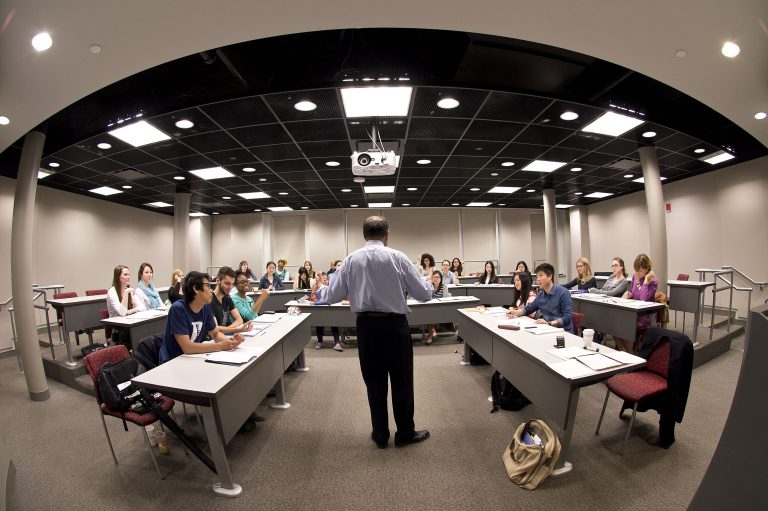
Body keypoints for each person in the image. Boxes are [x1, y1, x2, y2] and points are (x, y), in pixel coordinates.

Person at [317, 215, 433, 448]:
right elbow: (424, 294)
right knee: (401, 381)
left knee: (374, 382)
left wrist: (319, 291)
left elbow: (334, 295)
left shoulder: (350, 260)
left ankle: (380, 434)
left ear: (363, 235)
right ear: (386, 236)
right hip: (395, 327)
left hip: (366, 328)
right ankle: (404, 434)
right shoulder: (399, 258)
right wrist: (428, 282)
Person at [158, 271, 244, 364]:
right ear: (195, 288)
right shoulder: (178, 309)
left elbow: (215, 334)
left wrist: (230, 342)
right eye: (207, 286)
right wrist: (220, 346)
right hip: (173, 362)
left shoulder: (205, 307)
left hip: (193, 358)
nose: (211, 290)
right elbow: (187, 347)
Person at [507, 262, 574, 333]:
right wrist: (515, 312)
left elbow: (567, 317)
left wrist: (550, 323)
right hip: (546, 329)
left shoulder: (563, 292)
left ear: (550, 276)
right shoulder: (541, 295)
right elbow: (528, 309)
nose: (538, 279)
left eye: (541, 276)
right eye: (537, 277)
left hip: (563, 331)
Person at [614, 253, 659, 353]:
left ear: (647, 268)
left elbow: (643, 299)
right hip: (634, 312)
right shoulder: (635, 277)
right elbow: (634, 293)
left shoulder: (653, 280)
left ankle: (630, 353)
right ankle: (624, 351)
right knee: (614, 325)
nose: (637, 273)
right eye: (636, 271)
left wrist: (646, 281)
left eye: (640, 271)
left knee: (627, 326)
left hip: (645, 316)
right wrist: (629, 294)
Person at [106, 265, 146, 346]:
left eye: (129, 275)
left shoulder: (128, 289)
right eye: (125, 275)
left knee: (144, 328)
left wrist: (131, 311)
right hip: (118, 327)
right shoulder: (112, 292)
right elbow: (122, 312)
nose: (128, 277)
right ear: (118, 277)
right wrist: (126, 293)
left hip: (128, 322)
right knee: (136, 333)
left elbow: (142, 307)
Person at [208, 266, 253, 336]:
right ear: (218, 281)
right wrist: (236, 329)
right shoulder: (209, 300)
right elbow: (215, 329)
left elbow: (239, 320)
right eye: (227, 283)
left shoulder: (227, 297)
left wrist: (226, 330)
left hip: (226, 336)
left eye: (232, 284)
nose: (230, 287)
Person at [311, 272, 342, 351]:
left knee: (334, 323)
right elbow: (313, 297)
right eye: (323, 279)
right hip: (320, 309)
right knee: (319, 324)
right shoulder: (315, 286)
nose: (325, 280)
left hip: (331, 309)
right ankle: (320, 342)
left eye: (326, 279)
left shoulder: (331, 287)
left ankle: (337, 343)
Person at [426, 270, 447, 343]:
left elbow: (445, 298)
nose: (436, 279)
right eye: (434, 277)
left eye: (437, 277)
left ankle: (431, 334)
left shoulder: (444, 287)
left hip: (440, 307)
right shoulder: (429, 286)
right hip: (430, 308)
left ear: (440, 279)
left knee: (430, 314)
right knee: (429, 314)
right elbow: (427, 297)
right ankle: (431, 333)